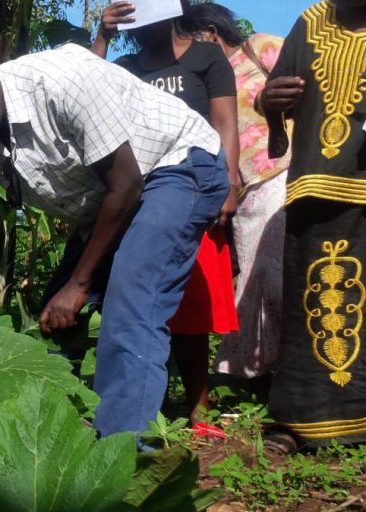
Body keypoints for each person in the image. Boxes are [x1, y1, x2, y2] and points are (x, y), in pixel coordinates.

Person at [0, 43, 229, 439]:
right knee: (49, 330)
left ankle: (122, 454)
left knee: (132, 298)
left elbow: (126, 183)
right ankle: (51, 430)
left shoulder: (60, 84)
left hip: (176, 161)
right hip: (109, 203)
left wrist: (79, 284)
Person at [91, 1, 240, 437]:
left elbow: (224, 121)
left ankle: (198, 405)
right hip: (142, 192)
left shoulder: (205, 57)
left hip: (197, 187)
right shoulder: (128, 66)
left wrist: (228, 184)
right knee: (141, 302)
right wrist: (102, 34)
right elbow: (86, 89)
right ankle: (144, 407)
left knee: (192, 303)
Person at [258, 0, 366, 453]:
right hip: (314, 187)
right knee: (313, 309)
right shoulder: (311, 21)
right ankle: (300, 421)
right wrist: (271, 103)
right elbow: (276, 106)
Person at [189, 3, 292, 388]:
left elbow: (312, 82)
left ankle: (274, 371)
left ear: (212, 32)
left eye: (193, 37)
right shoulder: (208, 76)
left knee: (271, 272)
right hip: (244, 190)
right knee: (251, 277)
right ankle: (257, 370)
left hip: (281, 171)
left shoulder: (258, 46)